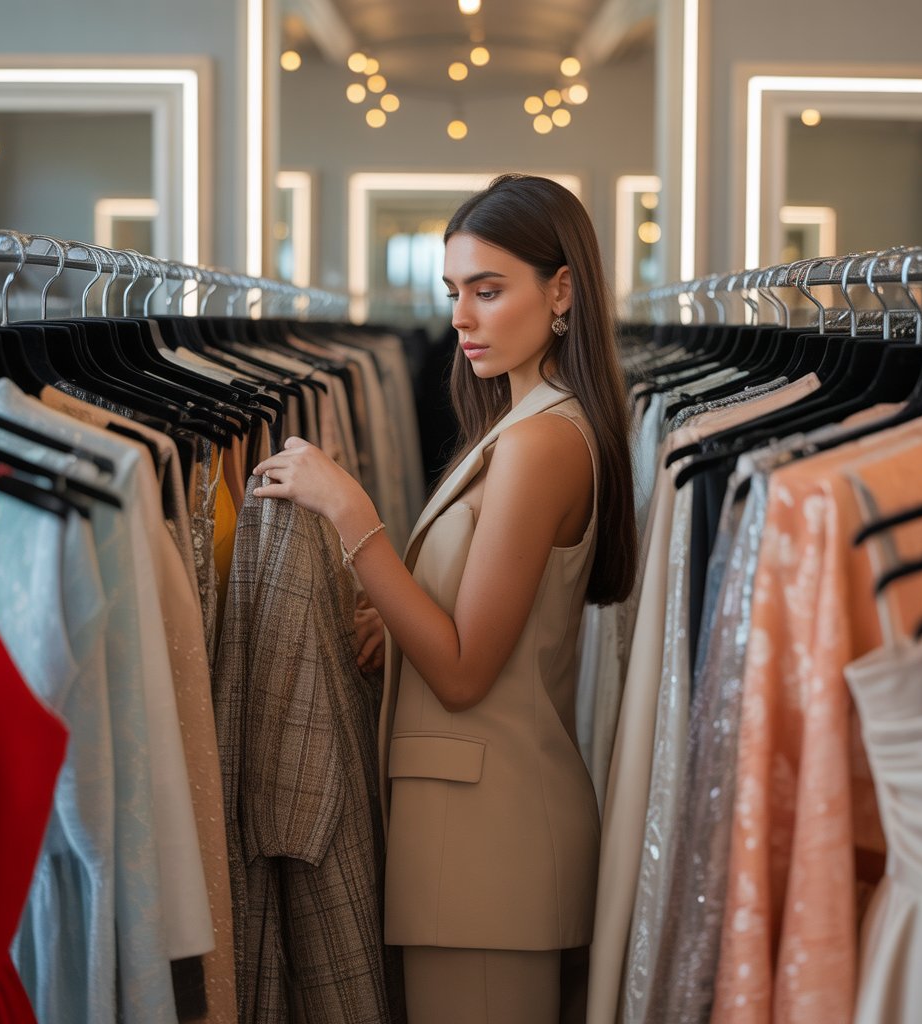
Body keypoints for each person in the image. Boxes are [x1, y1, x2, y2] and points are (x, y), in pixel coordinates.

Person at [252, 173, 637, 1024]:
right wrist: (400, 618)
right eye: (454, 291)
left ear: (562, 290)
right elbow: (485, 626)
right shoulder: (525, 424)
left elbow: (464, 674)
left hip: (490, 846)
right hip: (475, 838)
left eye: (488, 291)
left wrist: (352, 513)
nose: (461, 317)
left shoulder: (541, 441)